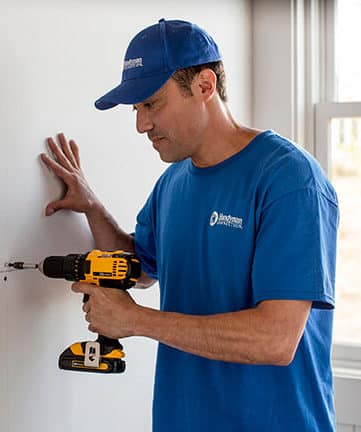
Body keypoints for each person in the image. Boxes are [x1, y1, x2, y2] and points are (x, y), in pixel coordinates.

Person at [41, 19, 339, 432]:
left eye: (152, 104)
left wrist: (137, 321)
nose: (141, 125)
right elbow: (138, 268)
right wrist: (93, 206)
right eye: (137, 109)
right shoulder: (174, 182)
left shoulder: (290, 180)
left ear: (204, 85)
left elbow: (275, 339)